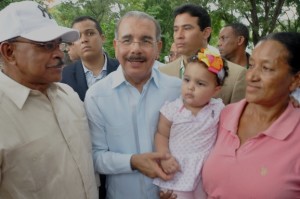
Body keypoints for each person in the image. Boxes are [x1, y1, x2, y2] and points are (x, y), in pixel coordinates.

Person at [0, 1, 98, 199]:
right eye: (46, 45)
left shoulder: (69, 95)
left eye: (58, 44)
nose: (59, 54)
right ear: (9, 52)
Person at [84, 11, 181, 199]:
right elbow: (95, 157)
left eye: (145, 40)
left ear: (158, 47)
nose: (135, 49)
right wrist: (132, 161)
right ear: (115, 45)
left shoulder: (177, 90)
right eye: (127, 40)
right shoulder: (97, 96)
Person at [202, 32, 300, 198]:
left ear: (295, 80)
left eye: (266, 68)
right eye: (251, 65)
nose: (251, 76)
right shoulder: (224, 115)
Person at [153, 48, 228, 199]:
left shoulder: (218, 109)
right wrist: (165, 157)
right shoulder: (172, 109)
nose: (190, 87)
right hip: (177, 171)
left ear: (216, 90)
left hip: (206, 172)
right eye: (187, 80)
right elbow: (161, 135)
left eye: (200, 83)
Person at [159, 4, 247, 105]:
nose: (179, 35)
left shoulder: (236, 76)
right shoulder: (162, 72)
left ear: (206, 32)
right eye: (175, 30)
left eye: (187, 28)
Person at [61, 16, 119, 101]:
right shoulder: (64, 76)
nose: (84, 40)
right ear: (73, 43)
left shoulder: (122, 68)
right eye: (78, 37)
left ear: (102, 38)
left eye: (90, 33)